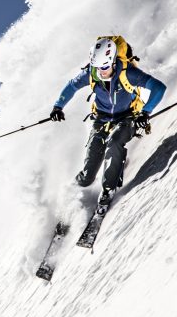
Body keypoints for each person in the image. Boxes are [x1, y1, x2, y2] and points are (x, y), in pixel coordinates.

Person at [49, 35, 166, 212]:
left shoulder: (128, 73)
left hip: (128, 116)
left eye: (104, 67)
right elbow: (72, 86)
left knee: (115, 142)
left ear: (112, 61)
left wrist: (145, 112)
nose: (101, 72)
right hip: (101, 118)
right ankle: (76, 189)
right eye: (97, 67)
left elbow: (158, 87)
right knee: (89, 171)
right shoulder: (92, 73)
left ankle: (108, 190)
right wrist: (58, 107)